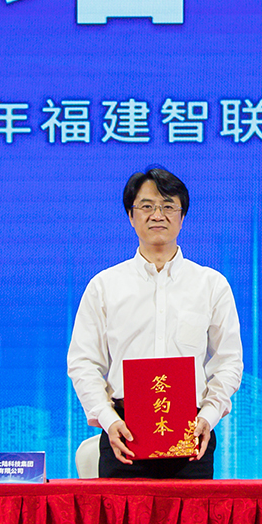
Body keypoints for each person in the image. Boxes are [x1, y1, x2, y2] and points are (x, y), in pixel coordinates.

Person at [67, 166, 243, 478]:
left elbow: (229, 361)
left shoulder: (211, 284)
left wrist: (209, 416)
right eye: (147, 206)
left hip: (192, 435)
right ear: (131, 216)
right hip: (124, 435)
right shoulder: (104, 286)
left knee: (191, 513)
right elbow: (83, 362)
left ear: (182, 216)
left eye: (168, 206)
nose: (157, 215)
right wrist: (108, 419)